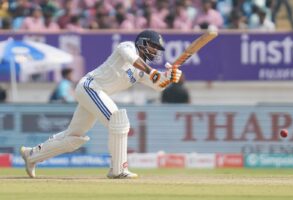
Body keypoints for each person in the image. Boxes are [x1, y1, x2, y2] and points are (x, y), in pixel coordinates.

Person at [20, 30, 182, 179]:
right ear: (143, 43)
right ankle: (118, 169)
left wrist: (169, 76)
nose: (155, 51)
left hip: (96, 94)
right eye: (153, 46)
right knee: (118, 121)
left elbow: (158, 85)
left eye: (157, 48)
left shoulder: (142, 71)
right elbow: (132, 59)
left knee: (74, 137)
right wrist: (153, 73)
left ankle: (32, 155)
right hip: (90, 87)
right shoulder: (127, 46)